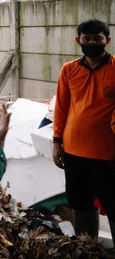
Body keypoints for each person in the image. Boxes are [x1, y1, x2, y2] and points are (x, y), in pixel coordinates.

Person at [53, 19, 115, 239]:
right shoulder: (69, 70)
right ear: (78, 41)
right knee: (80, 202)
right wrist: (56, 142)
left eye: (97, 39)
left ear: (107, 40)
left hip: (107, 153)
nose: (92, 43)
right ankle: (87, 249)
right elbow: (61, 108)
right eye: (86, 39)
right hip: (73, 152)